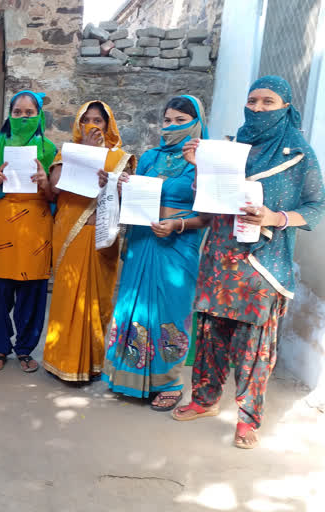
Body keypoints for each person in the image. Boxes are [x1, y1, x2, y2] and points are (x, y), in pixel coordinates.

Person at [173, 76, 325, 449]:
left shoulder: (298, 153)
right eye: (252, 100)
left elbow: (316, 205)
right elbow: (208, 203)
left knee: (254, 347)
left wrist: (276, 218)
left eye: (267, 102)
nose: (257, 108)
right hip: (220, 256)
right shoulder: (231, 147)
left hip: (263, 265)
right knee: (210, 335)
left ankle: (246, 420)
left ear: (286, 106)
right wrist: (198, 167)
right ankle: (205, 400)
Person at [102, 95, 210, 411]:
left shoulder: (205, 163)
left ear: (197, 124)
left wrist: (176, 224)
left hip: (178, 246)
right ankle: (127, 376)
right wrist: (123, 188)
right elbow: (132, 203)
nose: (171, 127)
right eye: (167, 120)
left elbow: (208, 214)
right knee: (134, 310)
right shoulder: (149, 158)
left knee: (171, 314)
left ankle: (171, 383)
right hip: (142, 241)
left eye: (180, 121)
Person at [43, 101, 135, 382]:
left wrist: (118, 185)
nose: (94, 124)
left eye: (99, 120)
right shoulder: (67, 152)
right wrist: (85, 151)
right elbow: (56, 187)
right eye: (88, 120)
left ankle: (92, 362)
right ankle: (61, 360)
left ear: (108, 125)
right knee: (67, 295)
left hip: (101, 234)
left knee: (97, 299)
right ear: (79, 125)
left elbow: (129, 199)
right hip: (70, 230)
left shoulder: (121, 158)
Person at [0, 90, 56, 373]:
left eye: (29, 113)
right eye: (17, 113)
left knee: (32, 292)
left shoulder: (50, 150)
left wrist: (45, 183)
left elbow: (55, 198)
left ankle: (25, 349)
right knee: (0, 292)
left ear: (39, 116)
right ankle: (1, 348)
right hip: (3, 227)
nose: (23, 117)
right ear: (9, 115)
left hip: (36, 228)